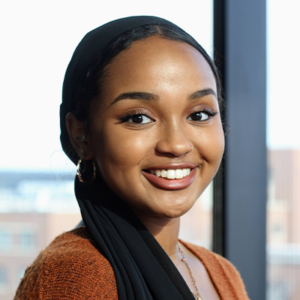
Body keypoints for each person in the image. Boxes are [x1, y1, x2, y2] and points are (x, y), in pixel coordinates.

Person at [14, 16, 249, 300]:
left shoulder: (220, 272)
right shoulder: (76, 276)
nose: (176, 144)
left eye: (199, 114)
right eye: (138, 117)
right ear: (81, 135)